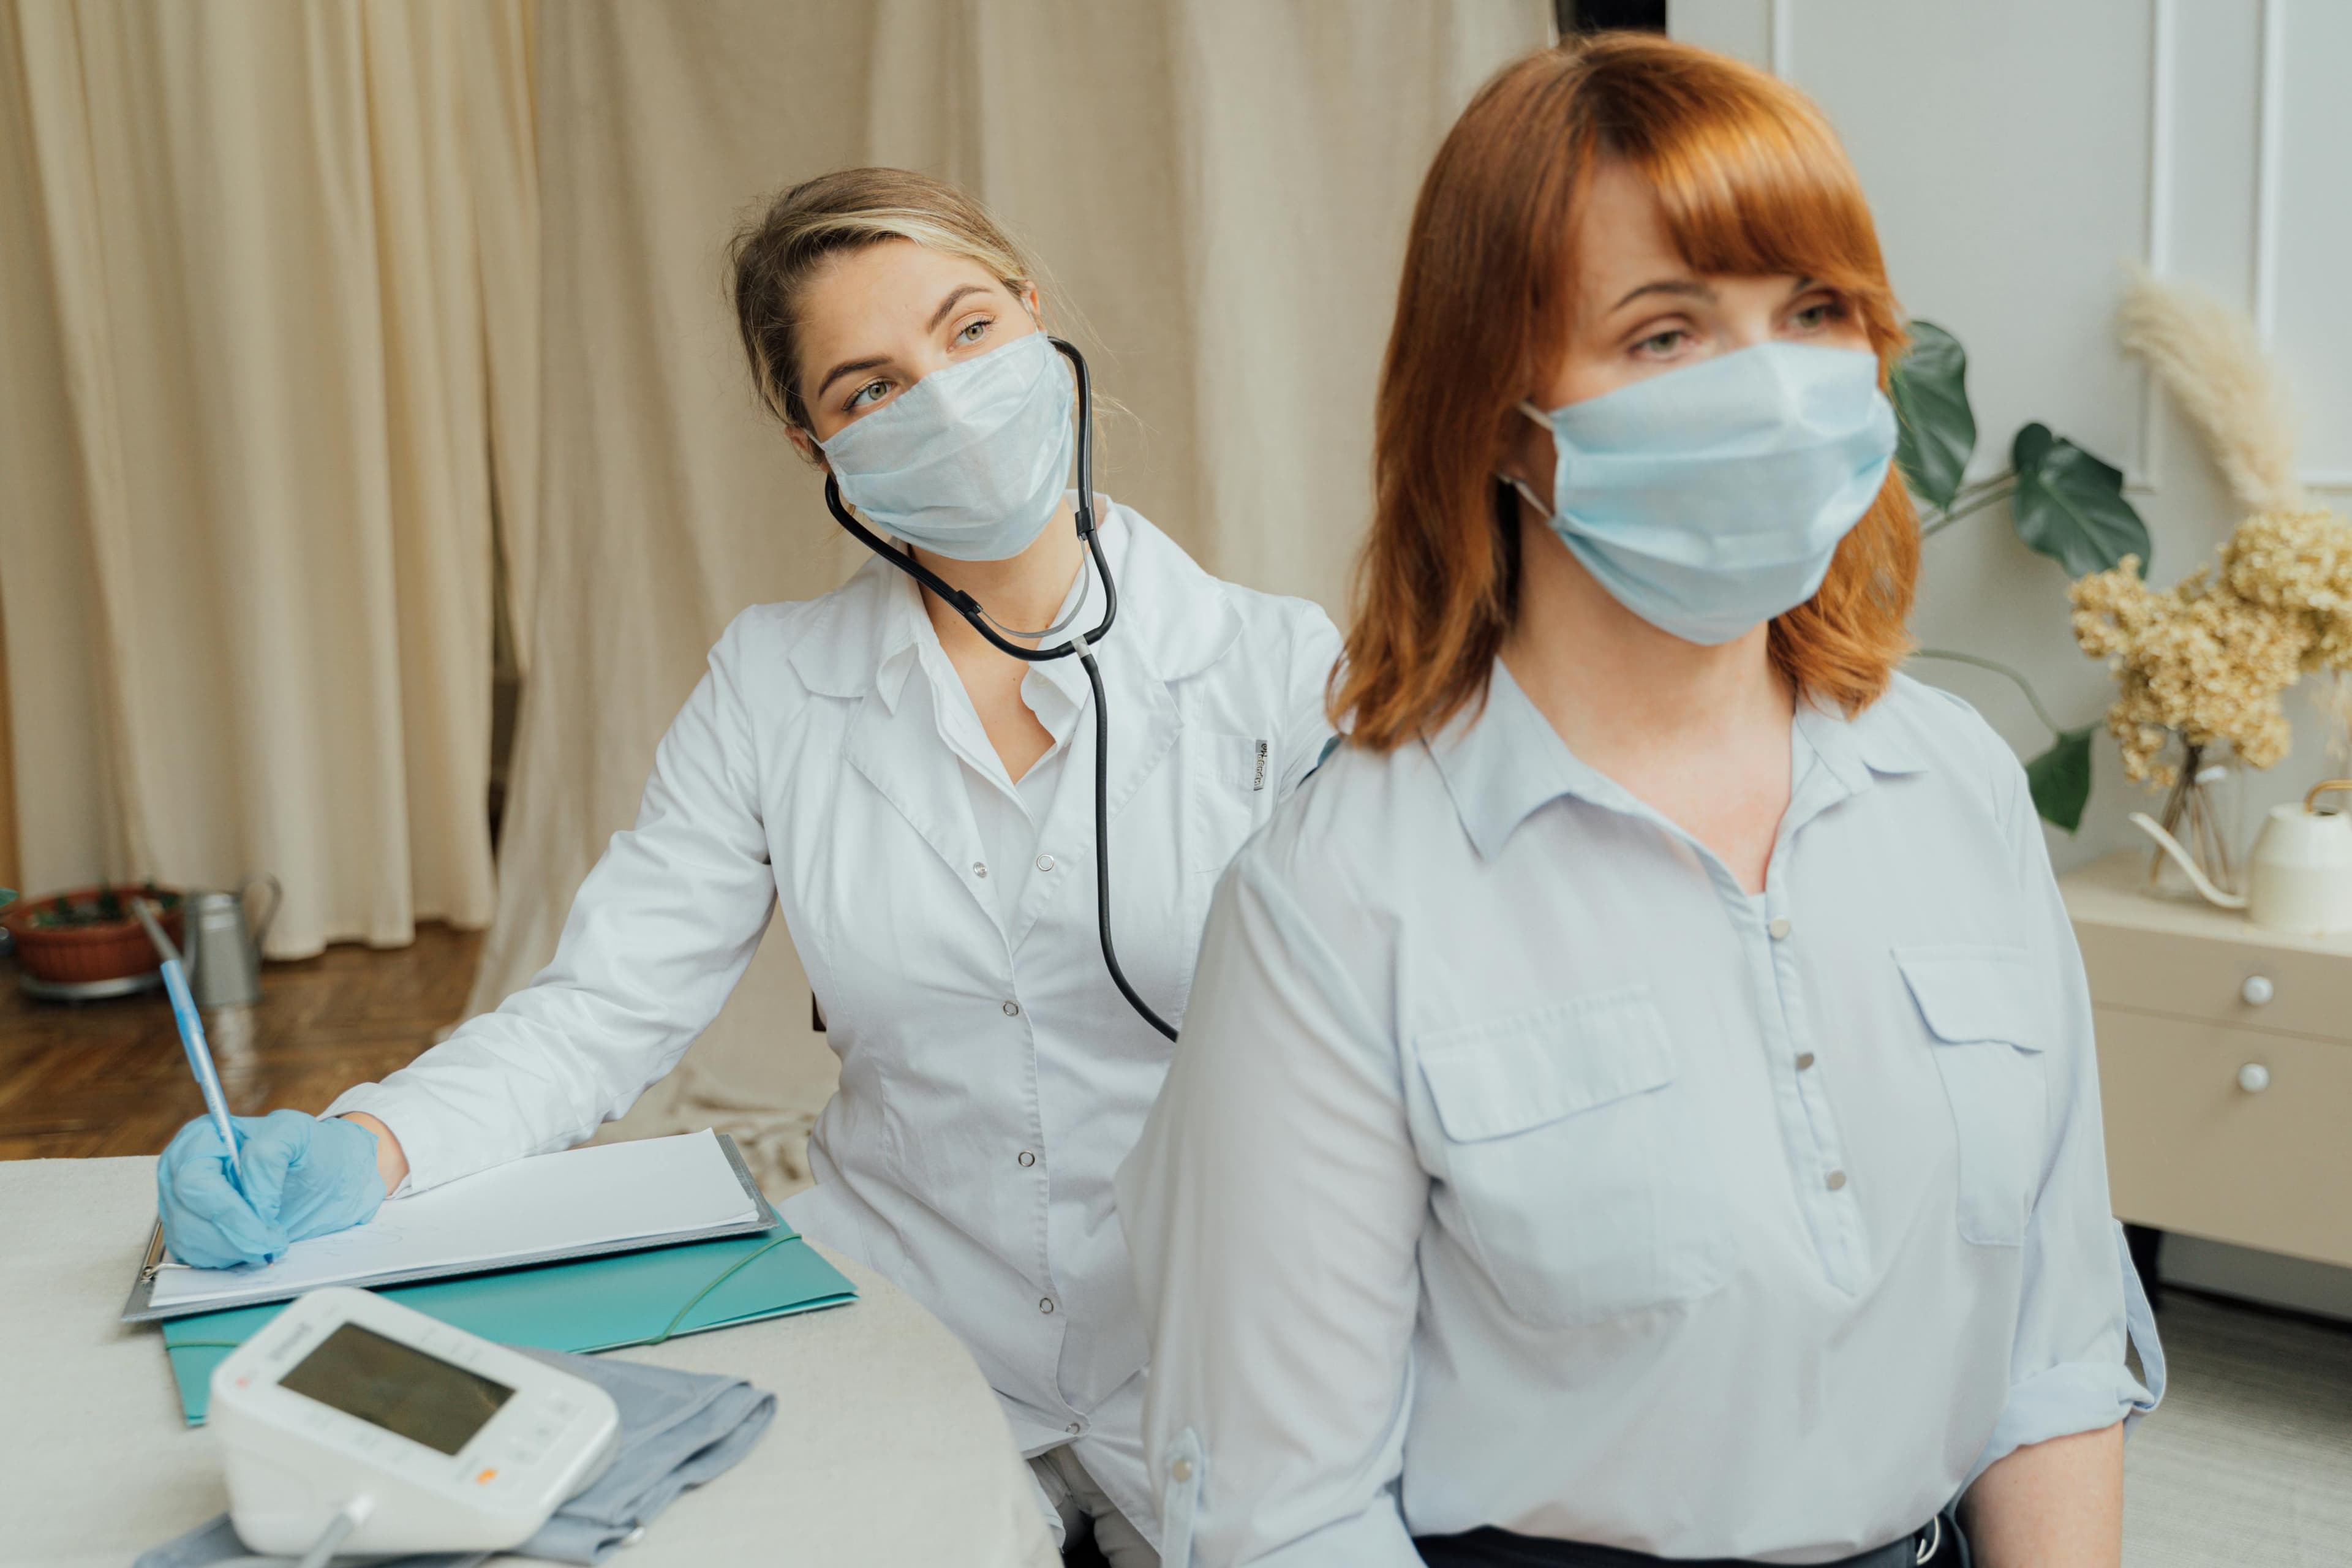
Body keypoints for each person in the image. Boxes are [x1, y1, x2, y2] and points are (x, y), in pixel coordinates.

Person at [153, 167, 1342, 1566]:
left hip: (1214, 1345)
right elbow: (604, 1007)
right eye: (870, 387)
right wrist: (371, 1141)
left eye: (968, 332)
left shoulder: (1282, 673)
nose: (946, 401)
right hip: (908, 1321)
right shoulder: (774, 685)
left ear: (1036, 315)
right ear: (811, 440)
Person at [1117, 37, 2161, 1568]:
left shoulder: (1955, 785)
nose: (1774, 391)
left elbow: (2056, 1345)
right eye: (1664, 334)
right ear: (1496, 411)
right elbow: (1284, 1516)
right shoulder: (1338, 896)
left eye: (1814, 314)